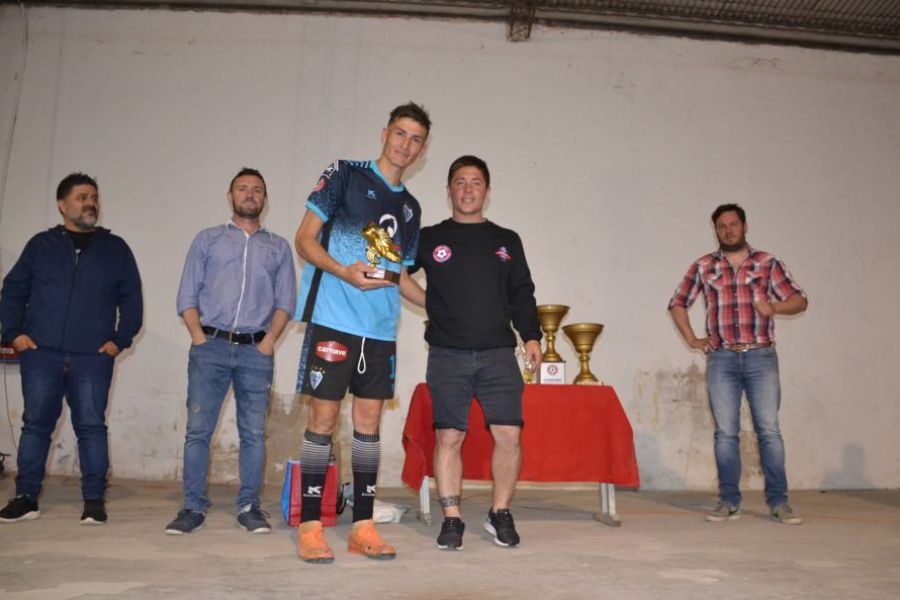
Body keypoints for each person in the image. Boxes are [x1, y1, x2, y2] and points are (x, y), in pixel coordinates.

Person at [294, 102, 430, 563]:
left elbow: (402, 276)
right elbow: (305, 239)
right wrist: (341, 271)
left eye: (415, 139)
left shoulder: (410, 208)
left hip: (381, 332)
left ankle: (363, 526)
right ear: (384, 133)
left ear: (422, 149)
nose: (405, 145)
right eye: (400, 133)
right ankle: (311, 525)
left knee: (368, 427)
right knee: (323, 422)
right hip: (335, 320)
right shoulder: (345, 174)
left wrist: (447, 309)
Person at [406, 155, 542, 550]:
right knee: (449, 436)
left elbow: (522, 293)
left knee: (508, 435)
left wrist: (530, 336)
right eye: (460, 182)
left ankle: (500, 513)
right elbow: (396, 273)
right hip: (447, 354)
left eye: (476, 182)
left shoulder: (507, 240)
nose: (468, 189)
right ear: (448, 190)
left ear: (487, 190)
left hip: (498, 352)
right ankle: (451, 519)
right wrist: (432, 303)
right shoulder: (429, 237)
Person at [0, 172, 143, 525]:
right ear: (62, 205)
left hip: (92, 357)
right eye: (81, 197)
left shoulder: (116, 249)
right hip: (42, 353)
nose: (90, 202)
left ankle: (93, 501)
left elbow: (132, 299)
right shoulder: (40, 245)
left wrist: (118, 340)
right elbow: (12, 290)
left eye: (93, 196)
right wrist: (15, 334)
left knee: (91, 427)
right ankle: (25, 498)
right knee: (35, 426)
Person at [165, 168, 296, 535]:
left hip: (256, 352)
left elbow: (286, 302)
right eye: (243, 188)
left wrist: (269, 341)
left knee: (253, 432)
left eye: (257, 190)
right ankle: (192, 507)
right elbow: (187, 295)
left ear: (265, 199)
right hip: (210, 348)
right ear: (230, 195)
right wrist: (197, 336)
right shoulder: (207, 240)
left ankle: (250, 506)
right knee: (197, 431)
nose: (250, 194)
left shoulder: (279, 247)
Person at [668, 203, 808, 525]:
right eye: (721, 226)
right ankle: (729, 501)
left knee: (769, 432)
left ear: (745, 226)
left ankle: (779, 502)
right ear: (716, 230)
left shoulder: (767, 263)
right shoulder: (703, 266)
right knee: (725, 434)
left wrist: (774, 307)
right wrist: (692, 338)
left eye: (733, 224)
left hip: (761, 356)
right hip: (722, 359)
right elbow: (677, 303)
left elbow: (800, 300)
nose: (728, 230)